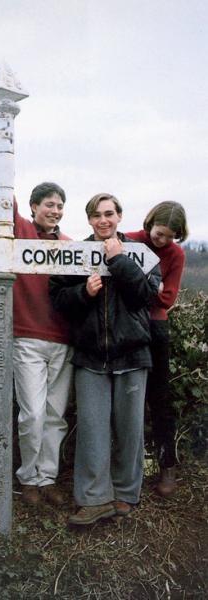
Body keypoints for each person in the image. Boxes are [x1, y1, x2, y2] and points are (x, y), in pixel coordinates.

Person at [50, 193, 161, 526]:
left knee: (130, 429)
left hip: (133, 352)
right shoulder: (75, 254)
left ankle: (126, 494)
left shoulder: (139, 254)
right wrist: (85, 292)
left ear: (120, 216)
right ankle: (94, 499)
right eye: (96, 215)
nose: (103, 220)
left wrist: (119, 261)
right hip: (90, 356)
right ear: (88, 220)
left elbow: (147, 295)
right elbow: (57, 299)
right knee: (93, 430)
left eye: (109, 214)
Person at [12, 182, 73, 507]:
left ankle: (47, 478)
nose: (55, 210)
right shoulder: (22, 233)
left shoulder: (69, 245)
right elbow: (4, 199)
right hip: (27, 339)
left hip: (63, 341)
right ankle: (28, 478)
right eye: (49, 204)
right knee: (32, 414)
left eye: (60, 205)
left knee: (55, 415)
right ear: (34, 207)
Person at [126, 201, 188, 497]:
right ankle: (126, 465)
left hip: (154, 327)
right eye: (158, 233)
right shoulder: (129, 240)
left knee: (159, 397)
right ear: (149, 222)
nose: (160, 240)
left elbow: (168, 298)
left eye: (168, 237)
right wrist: (153, 286)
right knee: (127, 394)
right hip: (126, 323)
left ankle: (167, 466)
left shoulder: (175, 254)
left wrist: (139, 288)